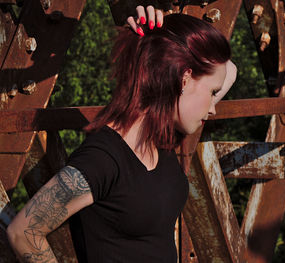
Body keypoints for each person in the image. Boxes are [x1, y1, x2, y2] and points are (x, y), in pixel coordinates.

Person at [7, 6, 237, 263]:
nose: (214, 107)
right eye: (212, 93)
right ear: (184, 80)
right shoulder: (104, 158)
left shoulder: (161, 138)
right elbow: (22, 232)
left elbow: (229, 69)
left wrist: (159, 35)